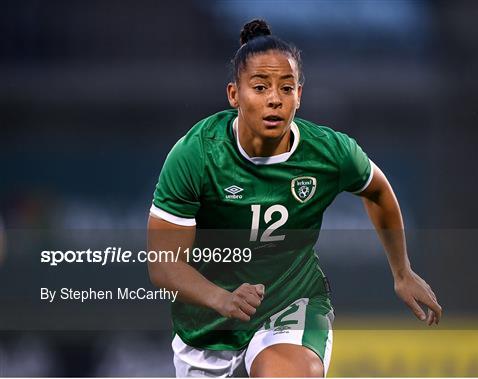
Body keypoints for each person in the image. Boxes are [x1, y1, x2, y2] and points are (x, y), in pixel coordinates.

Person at [147, 19, 442, 378]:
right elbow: (164, 265)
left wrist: (402, 272)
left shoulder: (329, 152)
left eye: (286, 88)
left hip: (291, 303)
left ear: (299, 96)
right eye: (260, 87)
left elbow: (377, 190)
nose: (274, 99)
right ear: (233, 95)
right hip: (208, 326)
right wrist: (221, 298)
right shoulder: (197, 154)